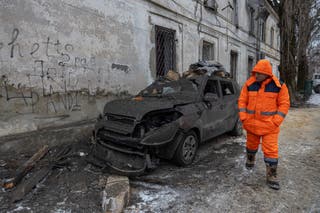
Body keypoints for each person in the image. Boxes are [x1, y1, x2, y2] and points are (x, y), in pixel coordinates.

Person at [238, 59, 290, 190]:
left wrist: (276, 121)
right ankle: (250, 160)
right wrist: (244, 118)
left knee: (271, 151)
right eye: (255, 72)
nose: (256, 75)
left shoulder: (279, 86)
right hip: (252, 125)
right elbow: (242, 101)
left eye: (259, 73)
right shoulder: (249, 84)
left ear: (266, 73)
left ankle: (271, 175)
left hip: (270, 127)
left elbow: (284, 104)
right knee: (251, 146)